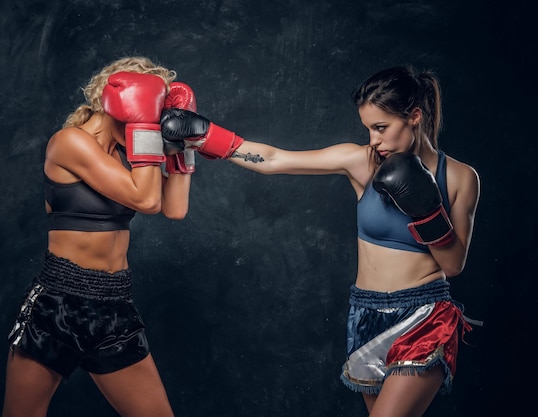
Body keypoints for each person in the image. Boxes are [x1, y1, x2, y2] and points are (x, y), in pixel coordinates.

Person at [159, 65, 481, 417]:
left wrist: (426, 209)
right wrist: (206, 135)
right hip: (365, 314)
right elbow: (274, 160)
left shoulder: (461, 177)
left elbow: (453, 265)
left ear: (414, 117)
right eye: (368, 129)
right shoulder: (362, 162)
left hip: (423, 316)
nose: (374, 140)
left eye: (381, 128)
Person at [2, 56, 198, 417]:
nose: (154, 122)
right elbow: (147, 199)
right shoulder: (68, 143)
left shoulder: (132, 153)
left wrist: (183, 148)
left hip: (113, 305)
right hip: (58, 303)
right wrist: (147, 136)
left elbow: (175, 208)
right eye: (149, 109)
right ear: (119, 102)